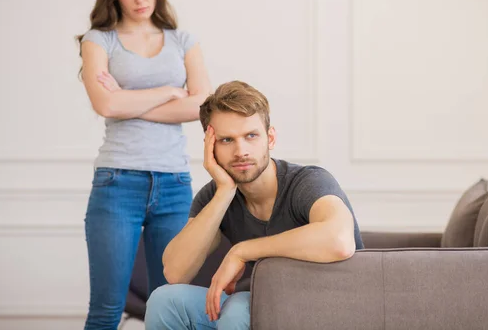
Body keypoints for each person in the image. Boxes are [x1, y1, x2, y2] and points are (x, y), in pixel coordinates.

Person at [144, 81, 364, 329]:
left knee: (240, 308)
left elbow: (340, 241)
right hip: (271, 304)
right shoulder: (216, 195)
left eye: (251, 136)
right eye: (227, 140)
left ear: (270, 138)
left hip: (329, 309)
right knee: (165, 301)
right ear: (211, 146)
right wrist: (225, 192)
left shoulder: (307, 182)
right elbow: (176, 272)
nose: (241, 151)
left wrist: (242, 250)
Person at [76, 0, 211, 330]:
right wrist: (170, 92)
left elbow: (202, 106)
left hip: (173, 184)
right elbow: (105, 105)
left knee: (168, 305)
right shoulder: (99, 40)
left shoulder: (183, 40)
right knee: (106, 308)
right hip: (117, 182)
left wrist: (125, 98)